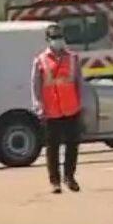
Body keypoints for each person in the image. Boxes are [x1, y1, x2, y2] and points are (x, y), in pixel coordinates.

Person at [31, 24, 84, 194]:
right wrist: (38, 105)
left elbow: (78, 82)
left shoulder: (73, 58)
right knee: (52, 148)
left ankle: (70, 177)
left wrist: (81, 103)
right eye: (54, 38)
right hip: (51, 110)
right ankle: (55, 181)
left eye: (60, 37)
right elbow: (35, 85)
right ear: (48, 40)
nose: (58, 41)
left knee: (72, 145)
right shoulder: (40, 60)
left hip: (71, 108)